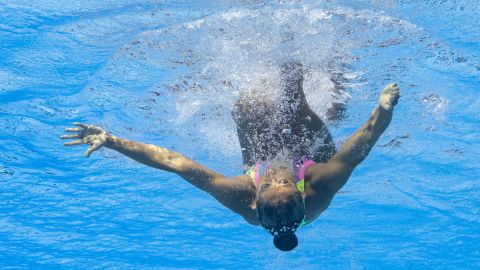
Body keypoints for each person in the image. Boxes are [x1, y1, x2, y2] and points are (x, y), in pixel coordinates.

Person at [61, 62, 400, 251]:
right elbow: (358, 149)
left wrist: (112, 141)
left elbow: (176, 163)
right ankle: (330, 79)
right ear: (299, 191)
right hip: (312, 155)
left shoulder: (238, 196)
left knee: (246, 106)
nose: (277, 175)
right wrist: (382, 110)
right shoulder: (318, 186)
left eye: (272, 183)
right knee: (292, 96)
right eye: (283, 182)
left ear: (255, 196)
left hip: (259, 161)